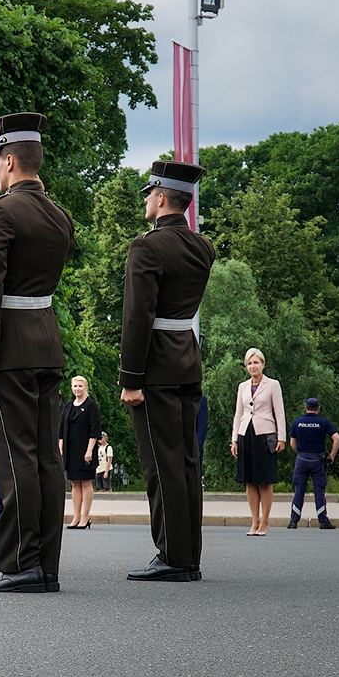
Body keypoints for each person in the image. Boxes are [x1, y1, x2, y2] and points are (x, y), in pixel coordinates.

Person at [0, 112, 77, 593]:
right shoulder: (60, 216)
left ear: (10, 160)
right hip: (47, 342)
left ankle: (19, 565)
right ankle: (47, 565)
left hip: (9, 348)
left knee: (14, 457)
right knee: (46, 460)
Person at [120, 159, 214, 582]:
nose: (147, 202)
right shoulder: (203, 247)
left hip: (155, 367)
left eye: (149, 195)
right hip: (187, 362)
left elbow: (138, 317)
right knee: (186, 461)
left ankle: (173, 557)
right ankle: (189, 554)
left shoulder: (147, 246)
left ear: (160, 198)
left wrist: (130, 380)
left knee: (160, 465)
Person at [230, 347, 286, 537]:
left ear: (263, 364)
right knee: (249, 480)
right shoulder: (242, 387)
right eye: (249, 363)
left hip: (265, 435)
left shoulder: (273, 385)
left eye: (256, 362)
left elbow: (279, 412)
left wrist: (281, 437)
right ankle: (254, 520)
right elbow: (238, 414)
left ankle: (265, 521)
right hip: (246, 434)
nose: (253, 366)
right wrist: (234, 440)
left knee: (265, 480)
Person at [288, 397, 339, 530]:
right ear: (318, 408)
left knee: (299, 490)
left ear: (306, 407)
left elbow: (292, 443)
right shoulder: (323, 422)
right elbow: (337, 438)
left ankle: (294, 521)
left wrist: (301, 453)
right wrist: (331, 456)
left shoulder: (298, 422)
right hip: (317, 459)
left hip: (301, 459)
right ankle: (323, 521)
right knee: (319, 490)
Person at [60, 375, 101, 529]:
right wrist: (61, 447)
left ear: (86, 388)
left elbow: (95, 430)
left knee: (85, 482)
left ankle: (85, 516)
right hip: (71, 451)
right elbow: (62, 429)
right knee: (74, 483)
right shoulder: (69, 406)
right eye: (74, 386)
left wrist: (89, 450)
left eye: (80, 386)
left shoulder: (91, 405)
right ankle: (76, 516)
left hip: (85, 450)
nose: (77, 389)